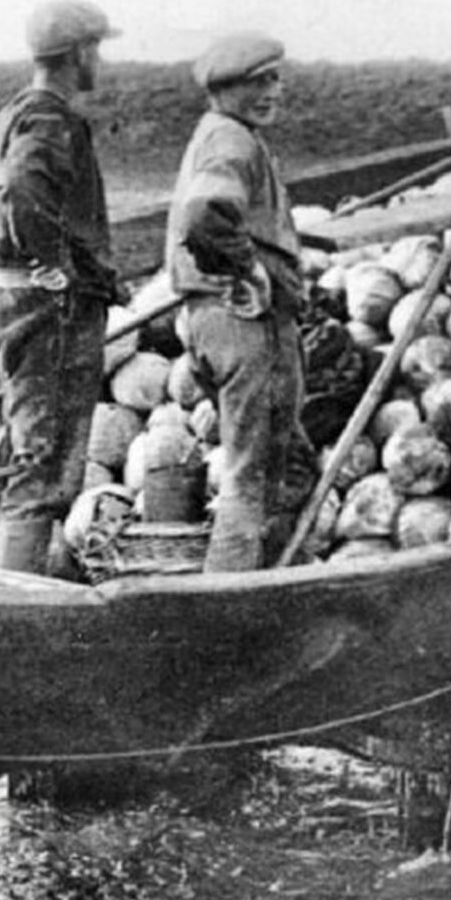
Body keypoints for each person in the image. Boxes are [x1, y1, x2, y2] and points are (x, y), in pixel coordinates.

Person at [0, 0, 123, 574]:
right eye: (96, 48)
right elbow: (21, 188)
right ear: (77, 54)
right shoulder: (51, 120)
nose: (99, 59)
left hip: (16, 301)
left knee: (20, 451)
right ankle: (9, 606)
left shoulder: (10, 115)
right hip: (54, 311)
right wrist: (52, 265)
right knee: (43, 461)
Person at [166, 31, 317, 571]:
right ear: (222, 90)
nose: (272, 91)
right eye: (256, 83)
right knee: (252, 479)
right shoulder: (234, 141)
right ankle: (225, 605)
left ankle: (282, 572)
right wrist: (248, 269)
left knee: (285, 464)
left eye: (275, 78)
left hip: (209, 321)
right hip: (247, 326)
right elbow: (205, 214)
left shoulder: (217, 133)